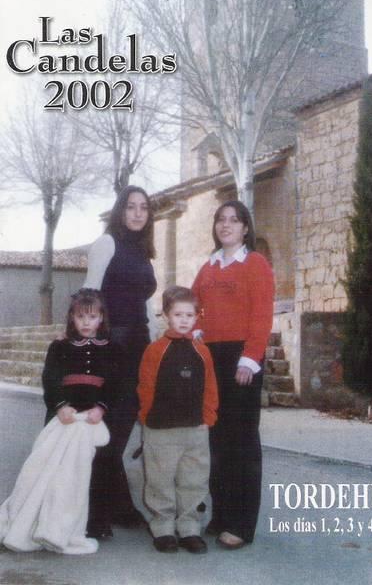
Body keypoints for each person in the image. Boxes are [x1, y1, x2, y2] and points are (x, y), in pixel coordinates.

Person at [0, 289, 114, 555]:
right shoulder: (59, 347)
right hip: (63, 419)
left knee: (80, 477)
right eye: (80, 317)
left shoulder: (111, 349)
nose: (86, 322)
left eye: (92, 317)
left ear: (101, 318)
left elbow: (117, 383)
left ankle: (72, 527)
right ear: (72, 318)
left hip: (92, 421)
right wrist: (61, 406)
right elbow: (50, 379)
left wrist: (101, 407)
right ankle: (36, 523)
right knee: (44, 470)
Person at [192, 200, 275, 549]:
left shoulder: (255, 264)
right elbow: (191, 306)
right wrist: (196, 330)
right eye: (220, 220)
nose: (226, 225)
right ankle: (222, 515)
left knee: (241, 442)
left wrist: (250, 359)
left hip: (241, 359)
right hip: (210, 359)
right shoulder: (208, 268)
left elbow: (262, 315)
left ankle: (241, 524)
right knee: (217, 441)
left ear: (245, 228)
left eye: (233, 220)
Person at [83, 185, 157, 538]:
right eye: (131, 207)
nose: (138, 213)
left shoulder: (143, 252)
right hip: (111, 348)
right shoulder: (107, 243)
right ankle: (98, 515)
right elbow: (90, 295)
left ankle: (117, 506)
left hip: (139, 349)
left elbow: (145, 306)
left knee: (121, 430)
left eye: (144, 207)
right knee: (107, 431)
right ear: (120, 211)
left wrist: (156, 346)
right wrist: (90, 348)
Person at [137, 286, 218, 555]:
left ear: (197, 317)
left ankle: (190, 528)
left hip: (195, 429)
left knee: (194, 480)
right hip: (161, 429)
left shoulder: (202, 352)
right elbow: (145, 386)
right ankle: (163, 528)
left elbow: (210, 387)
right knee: (160, 480)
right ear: (166, 316)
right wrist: (147, 417)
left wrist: (208, 417)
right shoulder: (155, 350)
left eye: (189, 315)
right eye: (178, 314)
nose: (184, 320)